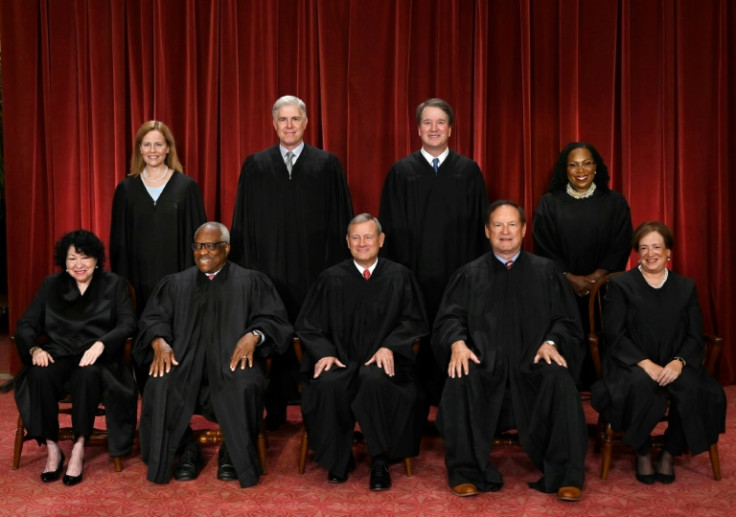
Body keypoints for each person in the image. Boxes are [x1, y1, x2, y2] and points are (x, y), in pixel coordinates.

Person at [433, 200, 587, 501]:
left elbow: (566, 320)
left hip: (533, 363)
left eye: (512, 224)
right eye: (498, 225)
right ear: (487, 232)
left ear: (524, 229)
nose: (506, 232)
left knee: (561, 380)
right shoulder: (469, 274)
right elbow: (449, 317)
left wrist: (551, 342)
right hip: (483, 364)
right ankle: (466, 472)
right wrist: (457, 343)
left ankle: (566, 474)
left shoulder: (546, 272)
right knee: (460, 377)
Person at [134, 222, 292, 488]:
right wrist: (159, 340)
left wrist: (254, 335)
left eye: (210, 246)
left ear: (227, 248)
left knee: (245, 383)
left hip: (232, 362)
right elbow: (152, 319)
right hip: (184, 363)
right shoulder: (175, 284)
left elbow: (275, 321)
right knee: (159, 384)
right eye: (198, 246)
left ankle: (233, 450)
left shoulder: (251, 281)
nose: (202, 253)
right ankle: (186, 449)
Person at [230, 95, 353, 430]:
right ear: (273, 124)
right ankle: (274, 409)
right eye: (282, 120)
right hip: (268, 270)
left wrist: (335, 272)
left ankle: (316, 411)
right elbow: (243, 222)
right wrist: (249, 272)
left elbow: (340, 221)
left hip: (314, 270)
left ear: (305, 123)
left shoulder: (327, 165)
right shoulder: (255, 165)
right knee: (271, 331)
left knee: (312, 333)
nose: (288, 126)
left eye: (295, 119)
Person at [296, 213, 428, 490]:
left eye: (368, 237)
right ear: (347, 242)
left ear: (381, 240)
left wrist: (390, 346)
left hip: (383, 363)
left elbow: (414, 322)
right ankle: (337, 459)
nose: (362, 243)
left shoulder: (399, 276)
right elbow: (308, 325)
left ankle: (380, 459)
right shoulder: (330, 279)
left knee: (375, 380)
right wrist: (324, 353)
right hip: (341, 360)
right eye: (355, 237)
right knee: (329, 384)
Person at [591, 222, 726, 484]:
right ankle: (641, 450)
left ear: (668, 253)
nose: (650, 254)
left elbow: (694, 335)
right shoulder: (621, 285)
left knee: (696, 390)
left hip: (675, 361)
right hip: (631, 363)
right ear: (636, 253)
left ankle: (669, 451)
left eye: (656, 247)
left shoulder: (685, 287)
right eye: (643, 248)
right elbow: (615, 335)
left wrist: (679, 362)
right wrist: (645, 363)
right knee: (639, 386)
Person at [379, 98, 488, 406]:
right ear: (418, 129)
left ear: (451, 129)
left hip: (458, 275)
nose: (434, 128)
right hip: (413, 276)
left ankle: (453, 402)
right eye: (427, 122)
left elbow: (482, 229)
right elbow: (388, 229)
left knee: (456, 331)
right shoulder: (401, 173)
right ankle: (415, 404)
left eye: (440, 122)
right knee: (416, 335)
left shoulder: (468, 172)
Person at [13, 230, 137, 486]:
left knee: (88, 374)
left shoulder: (114, 284)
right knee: (39, 373)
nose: (78, 264)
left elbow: (128, 324)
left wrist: (103, 343)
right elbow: (26, 324)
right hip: (58, 353)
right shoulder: (51, 285)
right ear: (64, 261)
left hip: (97, 356)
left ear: (96, 259)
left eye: (85, 257)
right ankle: (52, 448)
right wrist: (35, 349)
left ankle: (79, 446)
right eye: (72, 259)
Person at [533, 141, 632, 388]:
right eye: (573, 165)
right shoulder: (549, 203)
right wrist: (570, 278)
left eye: (587, 163)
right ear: (564, 170)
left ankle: (604, 383)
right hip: (561, 287)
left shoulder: (615, 202)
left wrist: (598, 277)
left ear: (596, 167)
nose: (581, 170)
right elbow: (543, 245)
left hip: (605, 290)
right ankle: (566, 383)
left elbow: (621, 243)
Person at [110, 120, 207, 317]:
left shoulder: (186, 187)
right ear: (139, 149)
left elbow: (200, 240)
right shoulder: (126, 190)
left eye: (158, 144)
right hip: (138, 281)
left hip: (179, 281)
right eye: (146, 144)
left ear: (168, 148)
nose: (152, 150)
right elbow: (118, 243)